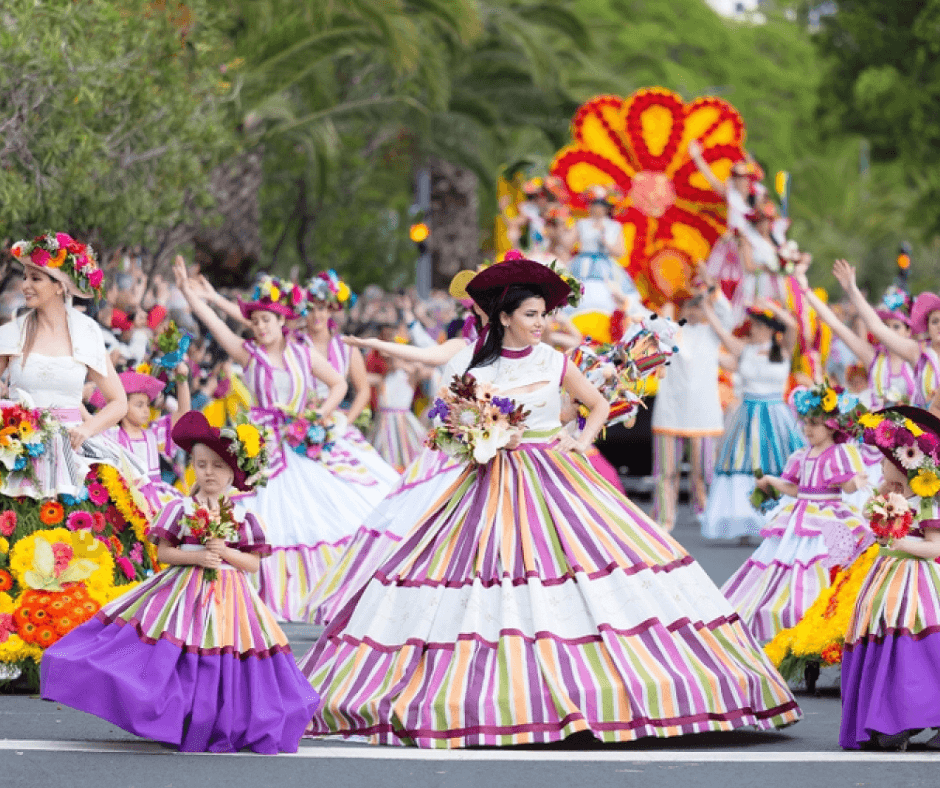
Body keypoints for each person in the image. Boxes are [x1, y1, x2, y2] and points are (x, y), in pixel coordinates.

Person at [298, 256, 801, 748]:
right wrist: (475, 440)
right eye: (531, 315)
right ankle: (507, 691)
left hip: (555, 475)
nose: (542, 323)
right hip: (491, 482)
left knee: (585, 569)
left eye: (544, 314)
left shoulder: (555, 359)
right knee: (487, 580)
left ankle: (604, 683)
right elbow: (453, 424)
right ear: (504, 318)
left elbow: (598, 404)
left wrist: (581, 440)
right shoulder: (478, 366)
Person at [40, 411, 319, 753]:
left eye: (217, 465)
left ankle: (219, 721)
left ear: (234, 472)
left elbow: (252, 564)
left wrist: (225, 553)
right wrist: (198, 557)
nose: (208, 472)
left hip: (231, 599)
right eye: (201, 464)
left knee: (221, 656)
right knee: (176, 656)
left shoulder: (245, 516)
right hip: (181, 592)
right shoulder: (180, 508)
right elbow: (165, 553)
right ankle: (178, 717)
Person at [175, 258, 377, 621]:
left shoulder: (302, 353)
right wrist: (192, 295)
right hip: (261, 445)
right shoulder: (247, 354)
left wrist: (317, 415)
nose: (259, 327)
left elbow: (340, 384)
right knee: (265, 513)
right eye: (254, 321)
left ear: (282, 321)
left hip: (299, 443)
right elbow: (215, 325)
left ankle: (320, 587)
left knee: (316, 512)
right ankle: (257, 589)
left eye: (266, 320)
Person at [0, 233, 158, 683]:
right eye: (25, 277)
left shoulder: (87, 333)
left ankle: (71, 642)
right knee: (15, 540)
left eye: (35, 278)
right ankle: (16, 649)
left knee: (69, 541)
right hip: (18, 449)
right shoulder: (12, 332)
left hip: (69, 451)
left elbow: (117, 403)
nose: (26, 286)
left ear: (58, 285)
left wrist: (85, 430)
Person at [721, 380, 870, 641]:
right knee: (786, 564)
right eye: (806, 423)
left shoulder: (838, 454)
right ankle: (786, 612)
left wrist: (856, 480)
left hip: (827, 516)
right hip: (800, 514)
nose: (808, 429)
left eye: (815, 424)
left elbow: (847, 486)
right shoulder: (802, 455)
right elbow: (794, 488)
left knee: (823, 564)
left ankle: (820, 615)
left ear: (832, 426)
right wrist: (770, 480)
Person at [839, 406, 940, 751]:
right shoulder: (888, 495)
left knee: (911, 626)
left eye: (885, 459)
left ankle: (910, 714)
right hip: (885, 572)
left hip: (915, 576)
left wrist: (897, 540)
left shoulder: (926, 501)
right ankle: (886, 715)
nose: (880, 464)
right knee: (878, 625)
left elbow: (934, 547)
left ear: (904, 464)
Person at [700, 299, 804, 542]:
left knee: (778, 463)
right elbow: (721, 333)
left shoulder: (783, 349)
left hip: (776, 414)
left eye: (758, 325)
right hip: (747, 414)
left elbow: (793, 326)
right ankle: (746, 521)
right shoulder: (744, 349)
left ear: (769, 328)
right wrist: (707, 308)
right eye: (753, 325)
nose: (753, 329)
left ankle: (777, 520)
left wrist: (771, 308)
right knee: (742, 464)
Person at [651, 285, 733, 531]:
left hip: (703, 414)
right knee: (666, 472)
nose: (695, 311)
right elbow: (652, 324)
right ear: (682, 308)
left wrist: (713, 293)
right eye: (690, 306)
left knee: (704, 472)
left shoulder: (713, 334)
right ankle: (664, 518)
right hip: (670, 412)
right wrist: (668, 306)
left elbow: (727, 314)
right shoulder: (671, 332)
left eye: (699, 306)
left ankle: (705, 512)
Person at [833, 260, 940, 409]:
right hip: (920, 429)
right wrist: (852, 290)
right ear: (927, 326)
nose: (939, 326)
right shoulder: (918, 353)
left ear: (908, 331)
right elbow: (874, 326)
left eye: (896, 326)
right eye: (935, 321)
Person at [97, 369, 190, 508]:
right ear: (122, 406)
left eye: (147, 404)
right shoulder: (111, 434)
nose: (146, 410)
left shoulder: (153, 433)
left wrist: (182, 380)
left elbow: (183, 414)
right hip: (123, 498)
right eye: (139, 405)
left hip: (155, 498)